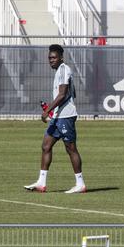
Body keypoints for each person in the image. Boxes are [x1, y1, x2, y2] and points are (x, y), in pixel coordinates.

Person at [24, 44, 85, 194]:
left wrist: (48, 110)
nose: (51, 60)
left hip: (66, 116)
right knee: (46, 146)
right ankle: (41, 182)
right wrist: (53, 111)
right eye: (49, 58)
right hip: (58, 117)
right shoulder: (59, 71)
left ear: (61, 57)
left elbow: (63, 94)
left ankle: (80, 184)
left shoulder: (64, 69)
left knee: (71, 149)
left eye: (54, 57)